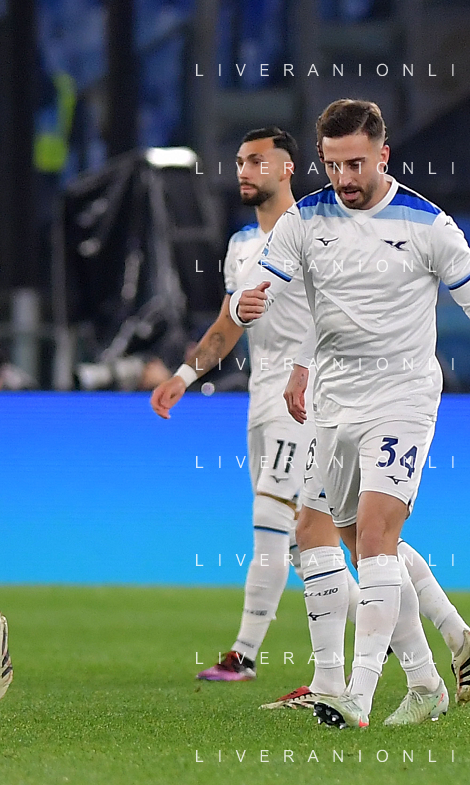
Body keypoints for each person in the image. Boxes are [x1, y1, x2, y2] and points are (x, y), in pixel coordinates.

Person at [233, 99, 470, 729]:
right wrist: (248, 311)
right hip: (333, 400)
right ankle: (428, 677)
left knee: (374, 533)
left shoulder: (428, 224)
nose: (344, 177)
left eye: (357, 163)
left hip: (403, 396)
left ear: (384, 155)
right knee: (334, 535)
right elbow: (272, 290)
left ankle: (356, 693)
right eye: (333, 164)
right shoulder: (305, 218)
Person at [151, 127, 306, 683]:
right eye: (240, 161)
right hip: (262, 399)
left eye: (258, 161)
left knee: (272, 518)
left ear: (286, 168)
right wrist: (184, 376)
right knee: (303, 540)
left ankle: (244, 654)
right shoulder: (241, 245)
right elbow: (227, 325)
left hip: (306, 399)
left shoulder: (313, 232)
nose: (244, 170)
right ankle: (400, 636)